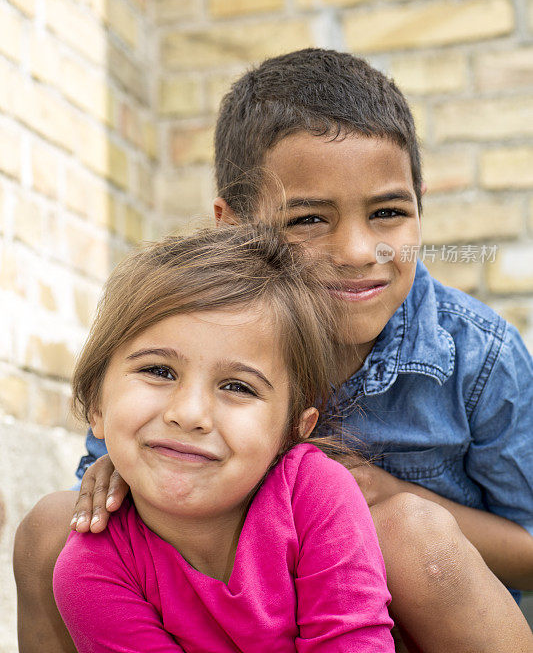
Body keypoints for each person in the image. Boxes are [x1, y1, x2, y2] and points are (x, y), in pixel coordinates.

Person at [14, 49, 533, 653]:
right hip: (228, 613)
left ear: (421, 204)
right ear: (233, 227)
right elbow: (118, 524)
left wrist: (390, 496)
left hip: (394, 627)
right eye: (309, 220)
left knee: (407, 533)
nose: (360, 251)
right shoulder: (183, 333)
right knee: (57, 529)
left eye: (389, 212)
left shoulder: (477, 355)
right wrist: (113, 474)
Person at [51, 224, 395, 652]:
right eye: (159, 371)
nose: (189, 414)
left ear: (293, 431)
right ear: (97, 408)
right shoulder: (91, 570)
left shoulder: (316, 494)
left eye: (237, 387)